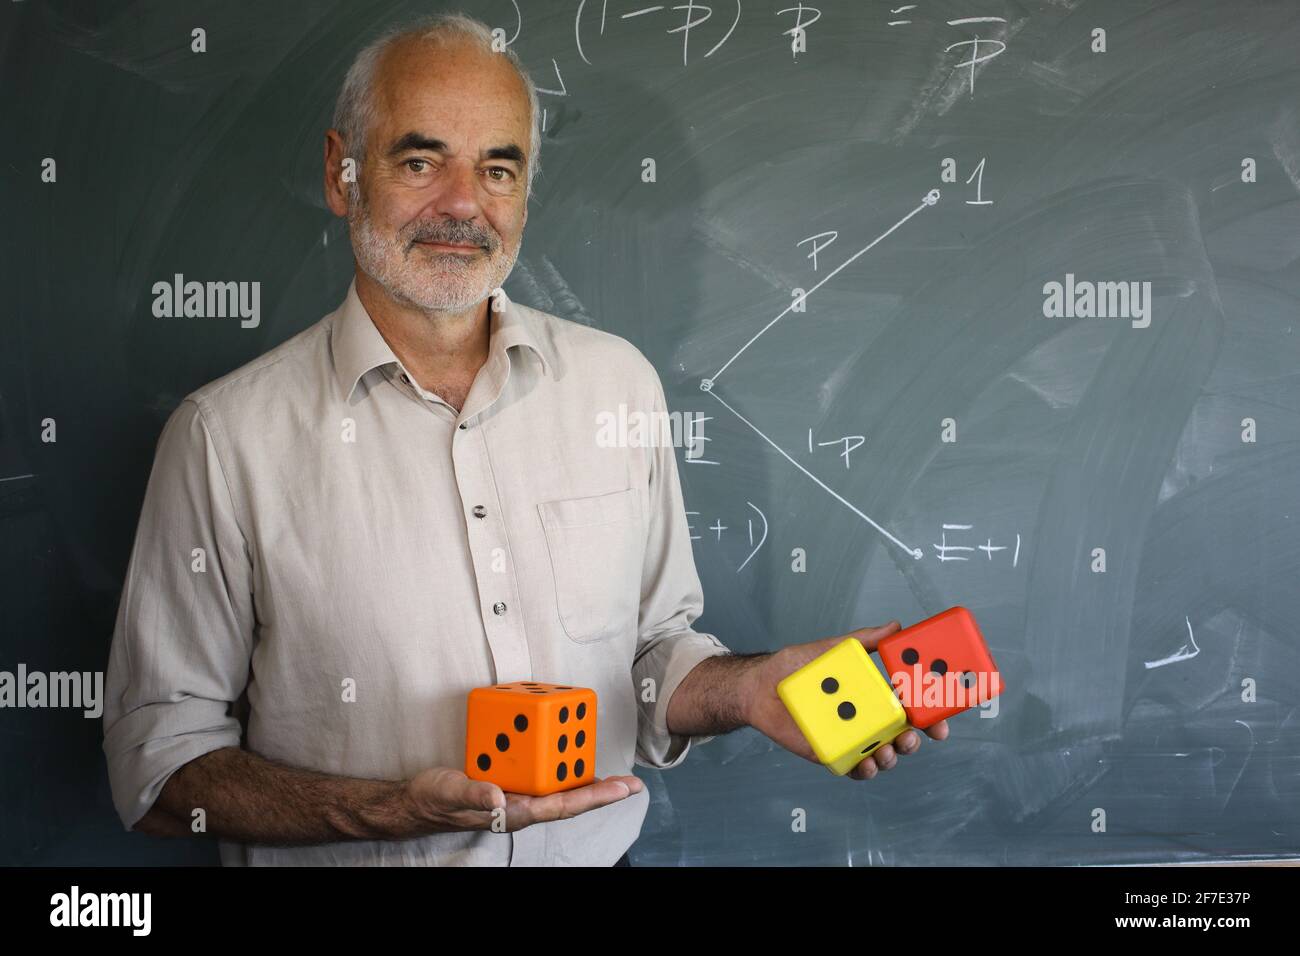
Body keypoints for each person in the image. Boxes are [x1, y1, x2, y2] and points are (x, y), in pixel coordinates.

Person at [102, 11, 947, 867]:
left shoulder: (619, 386)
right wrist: (386, 814)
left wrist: (750, 688)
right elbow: (160, 767)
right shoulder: (224, 437)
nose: (462, 205)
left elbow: (651, 657)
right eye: (421, 160)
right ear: (340, 172)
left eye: (497, 168)